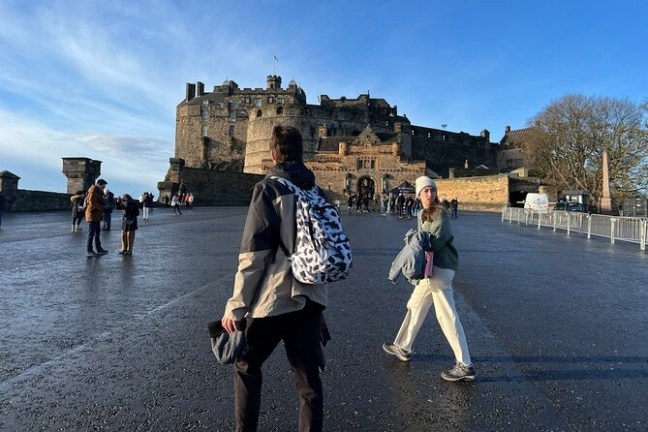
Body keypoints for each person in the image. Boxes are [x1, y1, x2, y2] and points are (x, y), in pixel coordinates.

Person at [221, 125, 328, 432]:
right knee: (309, 383)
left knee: (246, 365)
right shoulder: (316, 192)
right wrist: (319, 308)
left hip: (275, 298)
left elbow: (254, 255)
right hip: (309, 299)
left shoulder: (268, 189)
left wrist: (236, 305)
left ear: (271, 153)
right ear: (301, 152)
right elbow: (318, 251)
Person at [382, 176, 475, 382]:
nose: (429, 194)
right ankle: (403, 346)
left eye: (432, 190)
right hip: (430, 270)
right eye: (425, 191)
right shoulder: (422, 213)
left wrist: (417, 242)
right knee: (415, 304)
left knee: (446, 315)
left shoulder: (439, 213)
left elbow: (436, 240)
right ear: (418, 194)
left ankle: (465, 365)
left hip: (441, 269)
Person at [85, 179, 109, 257]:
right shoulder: (93, 191)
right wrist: (103, 206)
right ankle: (89, 250)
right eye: (103, 186)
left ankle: (99, 249)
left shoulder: (98, 192)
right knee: (91, 233)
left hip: (97, 215)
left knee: (97, 233)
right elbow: (92, 203)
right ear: (98, 184)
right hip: (92, 215)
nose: (104, 188)